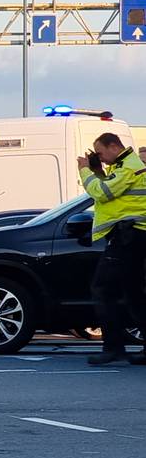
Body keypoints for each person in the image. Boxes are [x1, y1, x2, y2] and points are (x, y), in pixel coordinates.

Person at [80, 132, 146, 366]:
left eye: (100, 153)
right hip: (133, 235)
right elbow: (109, 189)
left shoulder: (129, 167)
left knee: (102, 288)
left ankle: (113, 347)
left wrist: (85, 170)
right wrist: (98, 171)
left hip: (129, 236)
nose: (101, 158)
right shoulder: (123, 166)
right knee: (133, 293)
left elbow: (101, 193)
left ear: (113, 146)